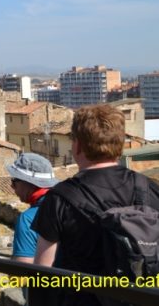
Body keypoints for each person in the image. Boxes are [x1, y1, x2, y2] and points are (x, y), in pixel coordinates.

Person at [32, 104, 159, 306]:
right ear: (120, 144)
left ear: (78, 145)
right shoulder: (149, 188)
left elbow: (42, 272)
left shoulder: (59, 198)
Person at [7, 153, 57, 264]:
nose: (12, 186)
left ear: (28, 183)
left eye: (14, 181)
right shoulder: (68, 205)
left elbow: (21, 276)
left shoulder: (28, 219)